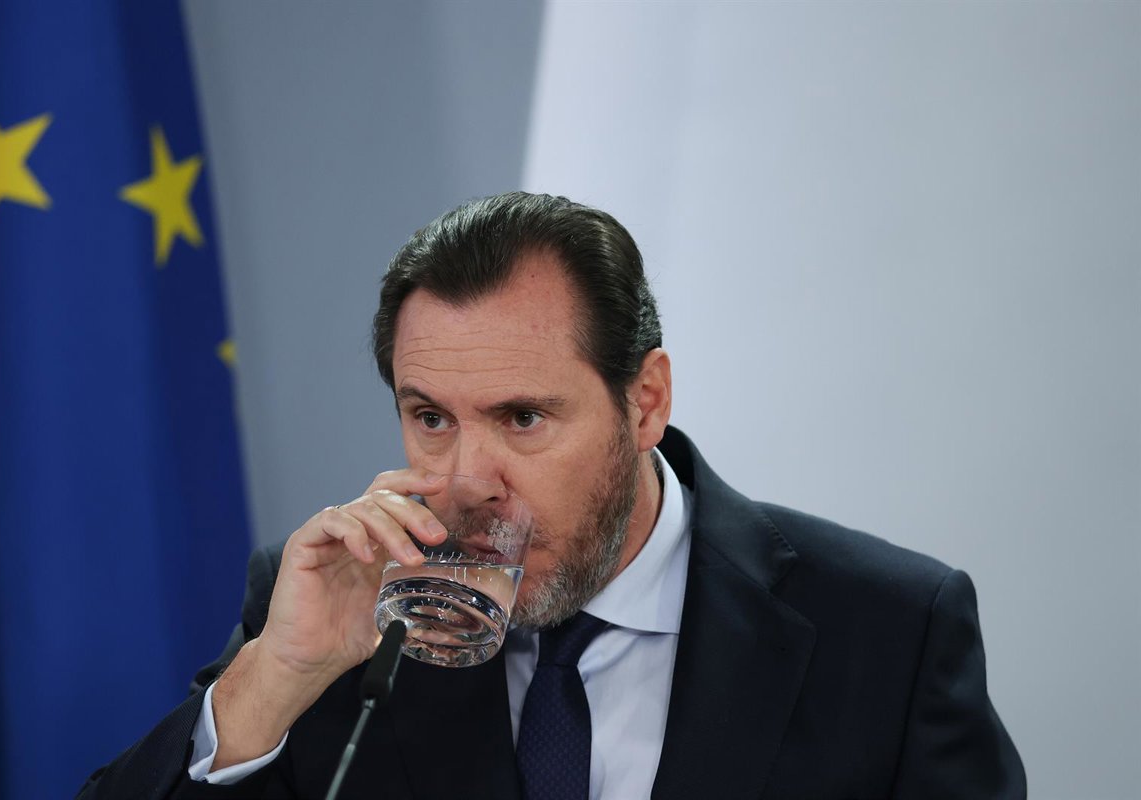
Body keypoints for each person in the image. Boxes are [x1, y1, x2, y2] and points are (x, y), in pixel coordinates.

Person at [79, 192, 1026, 799]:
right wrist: (275, 678)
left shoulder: (890, 631)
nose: (467, 480)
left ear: (645, 402)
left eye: (523, 417)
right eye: (430, 416)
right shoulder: (342, 612)